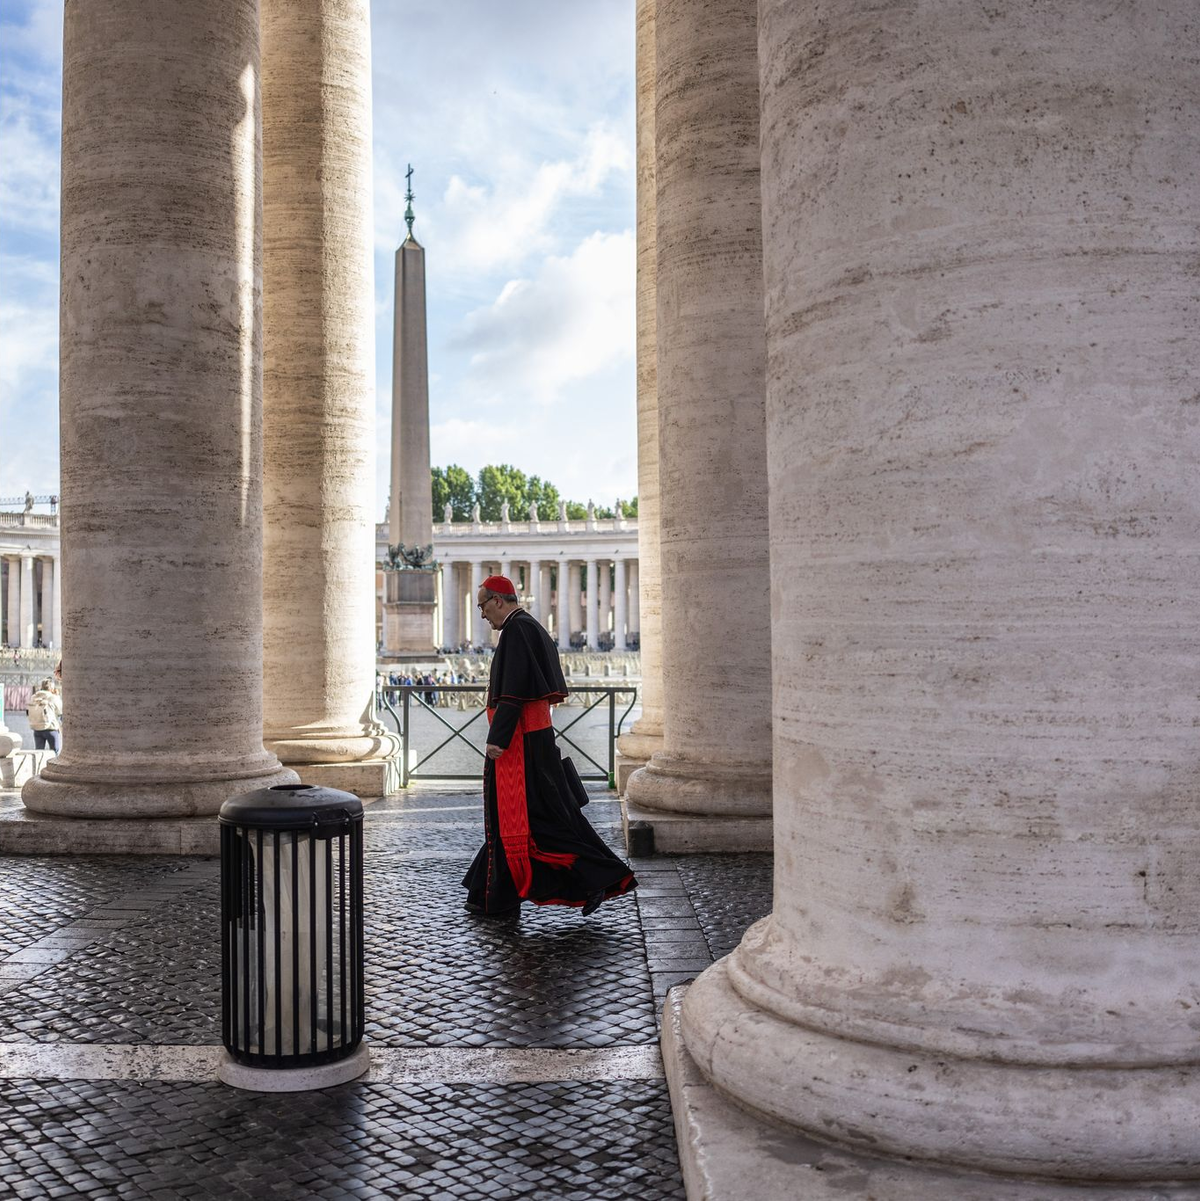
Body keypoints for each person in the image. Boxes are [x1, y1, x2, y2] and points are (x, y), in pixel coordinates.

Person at [462, 575, 637, 917]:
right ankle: (488, 895)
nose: (482, 615)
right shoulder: (531, 627)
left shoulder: (517, 630)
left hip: (521, 742)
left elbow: (512, 691)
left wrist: (496, 739)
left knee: (536, 820)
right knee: (519, 819)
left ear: (499, 601)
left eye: (483, 605)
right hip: (533, 738)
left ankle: (597, 876)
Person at [26, 678, 62, 754]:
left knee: (38, 753)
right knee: (54, 752)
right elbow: (60, 711)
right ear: (52, 688)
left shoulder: (34, 697)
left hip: (37, 728)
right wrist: (57, 696)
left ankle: (38, 766)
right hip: (50, 729)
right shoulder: (53, 697)